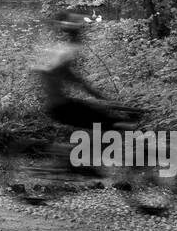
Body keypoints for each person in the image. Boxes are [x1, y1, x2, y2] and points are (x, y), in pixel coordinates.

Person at [32, 10, 134, 175]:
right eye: (80, 32)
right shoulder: (68, 52)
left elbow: (72, 80)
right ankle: (78, 160)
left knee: (103, 121)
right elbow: (78, 82)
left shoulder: (64, 50)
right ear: (77, 33)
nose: (82, 35)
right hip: (60, 106)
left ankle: (76, 159)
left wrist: (102, 99)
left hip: (58, 104)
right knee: (110, 124)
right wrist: (104, 99)